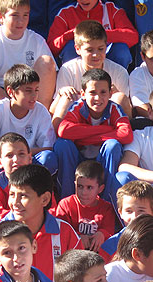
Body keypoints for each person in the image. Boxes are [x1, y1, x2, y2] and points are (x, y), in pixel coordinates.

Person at [0, 164, 81, 282]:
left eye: (23, 196)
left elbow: (80, 279)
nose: (15, 203)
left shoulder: (65, 232)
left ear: (45, 199)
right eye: (12, 194)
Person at [0, 64, 58, 188]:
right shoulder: (1, 108)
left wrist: (21, 155)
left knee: (48, 158)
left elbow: (48, 148)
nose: (34, 96)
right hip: (4, 161)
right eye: (28, 91)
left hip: (29, 161)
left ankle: (35, 190)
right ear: (11, 92)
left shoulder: (40, 111)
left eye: (36, 90)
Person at [55, 68, 132, 202]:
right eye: (92, 92)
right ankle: (67, 201)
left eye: (103, 92)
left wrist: (82, 136)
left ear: (110, 94)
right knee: (62, 145)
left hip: (103, 160)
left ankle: (108, 202)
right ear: (83, 94)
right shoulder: (78, 107)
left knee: (112, 146)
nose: (98, 98)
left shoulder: (114, 108)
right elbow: (64, 130)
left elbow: (126, 134)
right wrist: (106, 130)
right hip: (79, 158)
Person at [0, 0, 57, 109]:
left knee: (46, 62)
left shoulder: (37, 40)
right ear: (1, 17)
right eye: (15, 15)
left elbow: (49, 75)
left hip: (31, 94)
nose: (21, 21)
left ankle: (38, 116)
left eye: (25, 15)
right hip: (1, 95)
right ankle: (8, 114)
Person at [51, 20, 130, 124]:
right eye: (90, 50)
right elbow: (52, 111)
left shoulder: (119, 71)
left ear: (106, 47)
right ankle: (58, 139)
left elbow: (128, 111)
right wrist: (61, 93)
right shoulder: (68, 70)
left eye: (100, 49)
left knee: (119, 97)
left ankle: (119, 136)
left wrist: (113, 93)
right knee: (65, 97)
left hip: (108, 125)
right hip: (77, 124)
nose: (95, 55)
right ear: (78, 49)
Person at [47, 0, 137, 68]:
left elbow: (133, 36)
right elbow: (50, 47)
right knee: (70, 47)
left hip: (109, 64)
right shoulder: (65, 13)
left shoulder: (111, 9)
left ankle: (116, 84)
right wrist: (71, 35)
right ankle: (74, 84)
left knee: (121, 50)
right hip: (79, 68)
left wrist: (99, 34)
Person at [56, 160, 116, 252]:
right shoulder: (65, 204)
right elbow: (61, 230)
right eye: (80, 186)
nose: (83, 192)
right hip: (72, 254)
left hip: (97, 256)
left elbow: (109, 231)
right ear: (75, 184)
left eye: (89, 187)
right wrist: (78, 236)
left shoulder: (107, 208)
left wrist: (102, 234)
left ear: (100, 189)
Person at [0, 132, 34, 225]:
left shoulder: (40, 181)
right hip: (6, 232)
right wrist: (30, 218)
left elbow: (51, 211)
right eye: (9, 155)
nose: (16, 159)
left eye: (21, 154)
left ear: (30, 158)